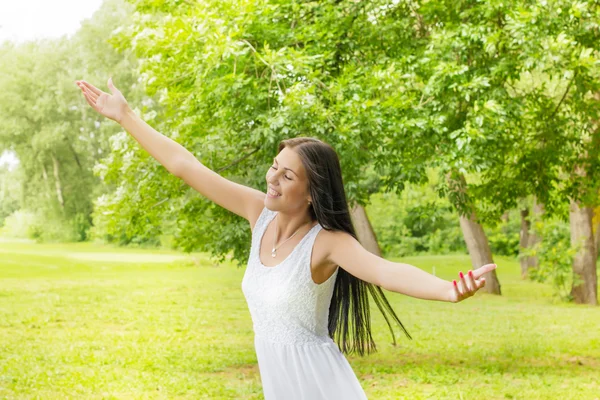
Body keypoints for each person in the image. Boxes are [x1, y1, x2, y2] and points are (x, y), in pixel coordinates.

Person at [76, 77, 497, 399]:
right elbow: (184, 165)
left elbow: (385, 271)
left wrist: (448, 291)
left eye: (288, 174)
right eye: (274, 167)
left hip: (318, 383)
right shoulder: (257, 212)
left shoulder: (326, 242)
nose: (272, 179)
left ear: (312, 192)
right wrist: (125, 116)